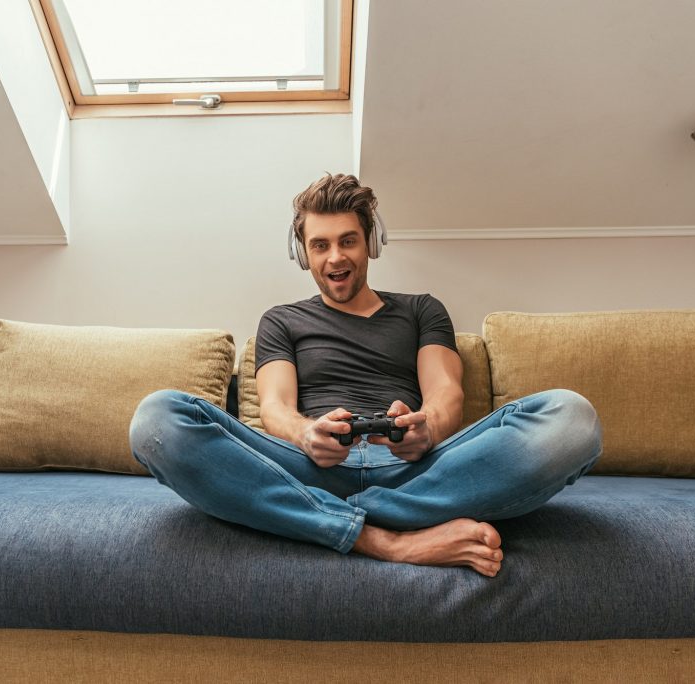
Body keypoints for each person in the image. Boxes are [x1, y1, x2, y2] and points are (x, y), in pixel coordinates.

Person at [130, 173, 602, 577]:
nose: (335, 257)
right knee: (158, 419)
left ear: (370, 243)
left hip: (417, 471)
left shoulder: (422, 310)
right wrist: (306, 434)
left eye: (347, 241)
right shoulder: (281, 320)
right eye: (320, 245)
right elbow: (274, 407)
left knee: (571, 418)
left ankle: (308, 517)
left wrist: (426, 428)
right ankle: (390, 540)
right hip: (309, 469)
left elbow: (445, 391)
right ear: (304, 255)